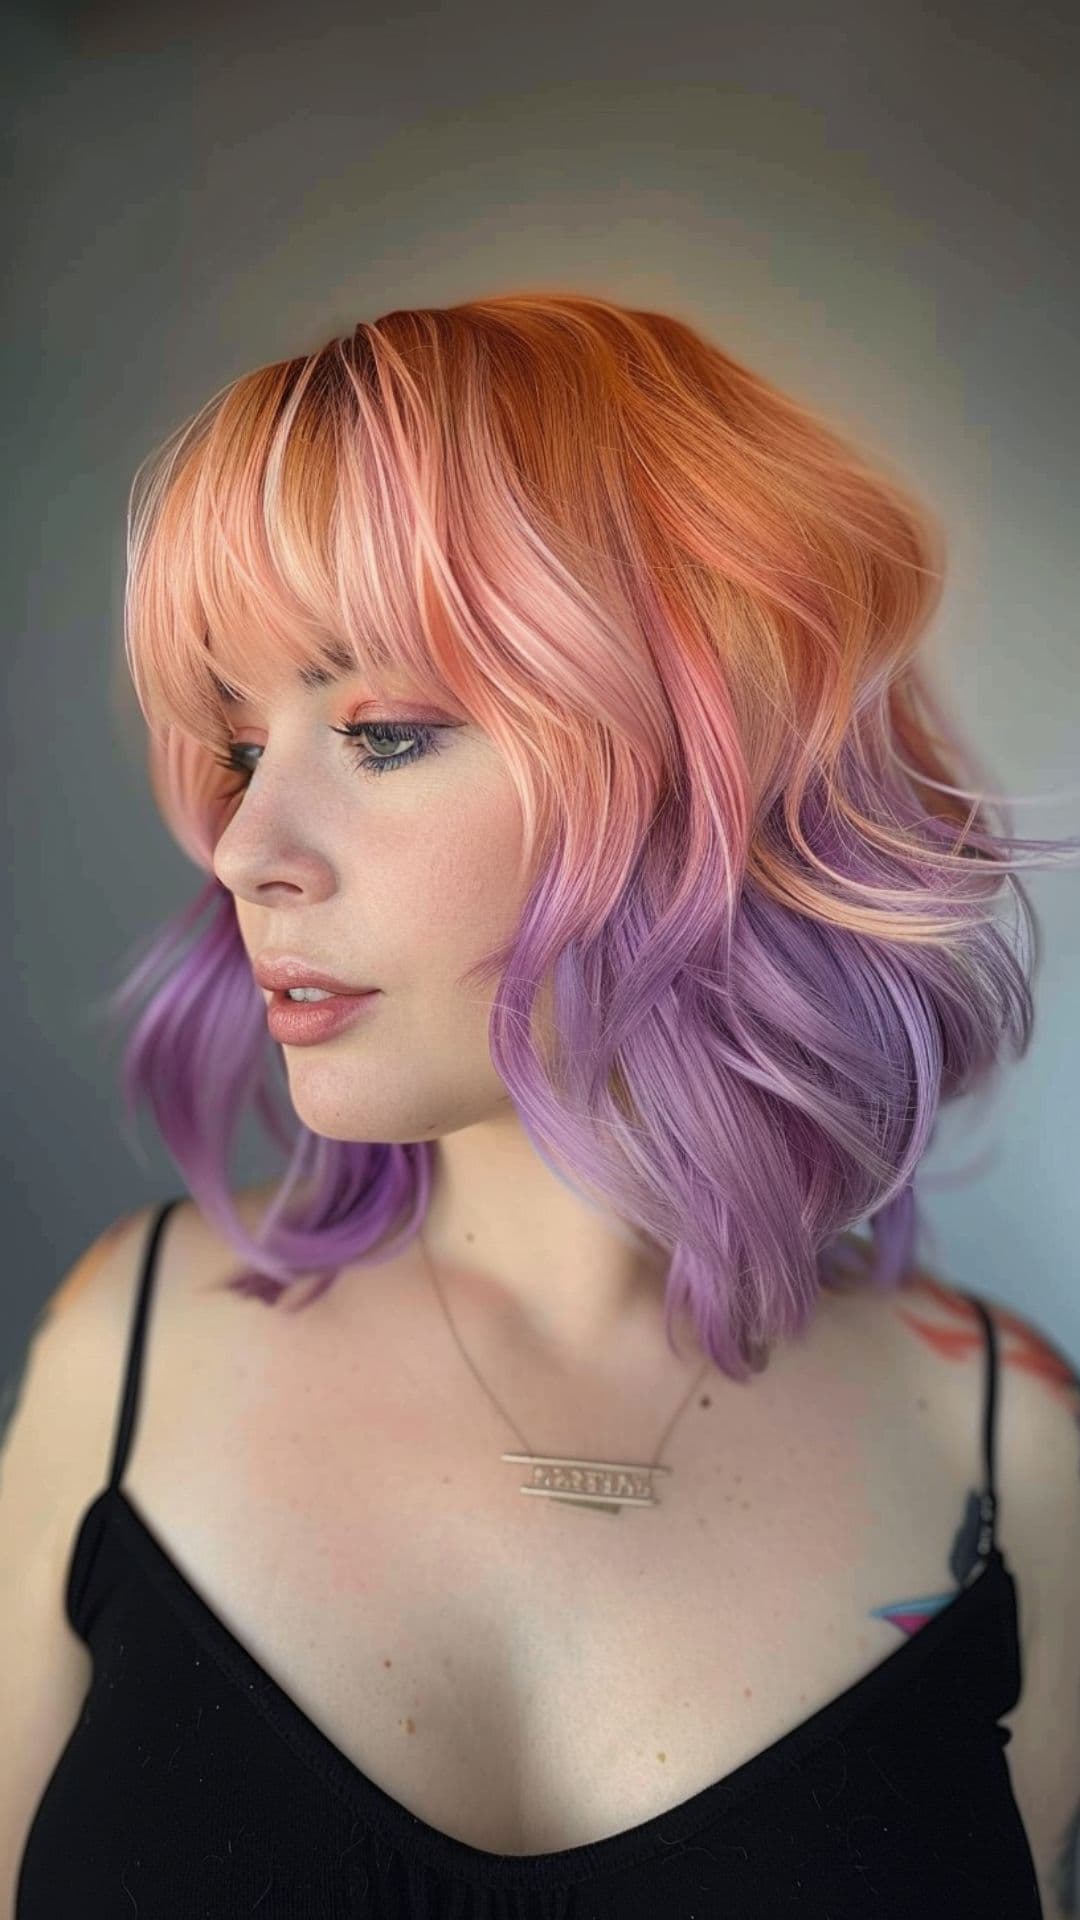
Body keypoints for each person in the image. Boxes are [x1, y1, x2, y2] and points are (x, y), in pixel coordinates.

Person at [3, 291, 1079, 1917]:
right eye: (234, 746)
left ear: (693, 763)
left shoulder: (1007, 1450)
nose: (243, 846)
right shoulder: (129, 1354)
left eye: (380, 732)